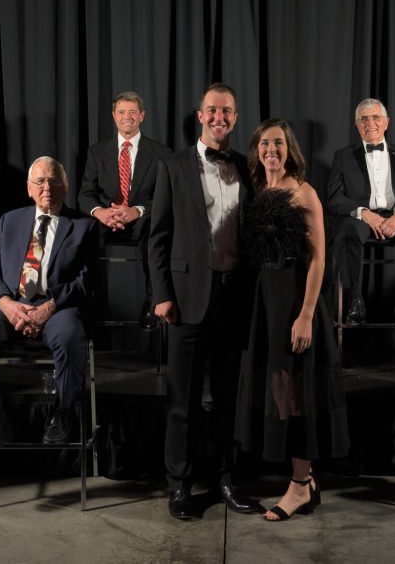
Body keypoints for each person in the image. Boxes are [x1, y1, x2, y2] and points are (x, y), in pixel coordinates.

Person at [148, 82, 257, 520]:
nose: (219, 118)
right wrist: (161, 295)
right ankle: (179, 485)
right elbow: (158, 236)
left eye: (226, 111)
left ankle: (227, 479)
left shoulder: (247, 167)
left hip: (235, 297)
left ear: (235, 117)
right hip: (187, 298)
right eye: (212, 110)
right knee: (183, 401)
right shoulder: (172, 165)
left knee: (230, 397)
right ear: (200, 115)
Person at [235, 118, 350, 521]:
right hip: (265, 301)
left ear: (290, 150)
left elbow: (319, 258)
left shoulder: (304, 191)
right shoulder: (260, 191)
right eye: (265, 143)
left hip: (295, 298)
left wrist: (305, 315)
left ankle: (300, 485)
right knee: (280, 390)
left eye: (279, 143)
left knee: (297, 392)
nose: (272, 149)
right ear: (256, 150)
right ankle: (305, 480)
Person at [0, 156, 97, 455]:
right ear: (29, 188)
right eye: (40, 181)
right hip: (12, 305)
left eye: (54, 181)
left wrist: (50, 307)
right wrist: (7, 304)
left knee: (70, 335)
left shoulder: (84, 226)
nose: (47, 187)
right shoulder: (10, 221)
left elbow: (86, 282)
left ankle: (63, 413)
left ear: (65, 186)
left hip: (58, 307)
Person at [327, 98, 395, 325]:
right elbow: (334, 197)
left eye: (376, 117)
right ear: (356, 125)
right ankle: (355, 301)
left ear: (386, 122)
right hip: (361, 219)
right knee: (347, 231)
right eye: (364, 119)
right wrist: (364, 213)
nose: (370, 123)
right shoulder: (342, 156)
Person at [78, 91, 171, 328]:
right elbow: (85, 195)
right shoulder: (97, 152)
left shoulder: (161, 153)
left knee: (156, 230)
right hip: (105, 220)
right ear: (113, 116)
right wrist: (101, 213)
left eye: (132, 112)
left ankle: (152, 302)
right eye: (121, 112)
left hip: (143, 221)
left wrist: (136, 210)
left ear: (142, 115)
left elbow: (165, 197)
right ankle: (85, 303)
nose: (126, 117)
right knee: (80, 235)